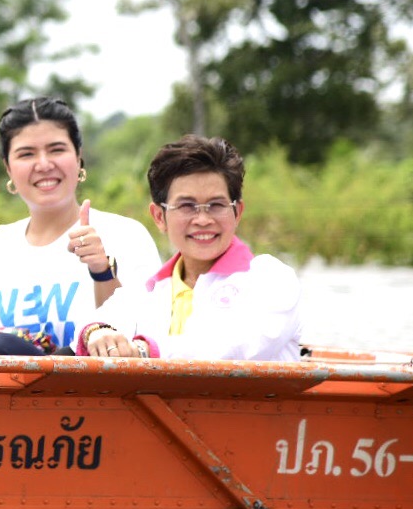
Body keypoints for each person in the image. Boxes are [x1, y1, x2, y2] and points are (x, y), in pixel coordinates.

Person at [0, 97, 160, 354]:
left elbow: (143, 336)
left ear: (79, 157)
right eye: (26, 154)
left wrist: (101, 270)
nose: (44, 164)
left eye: (56, 149)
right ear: (8, 168)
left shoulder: (125, 235)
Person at [79, 135, 302, 362]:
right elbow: (99, 321)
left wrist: (146, 350)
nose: (203, 219)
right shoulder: (149, 289)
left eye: (216, 205)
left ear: (238, 212)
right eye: (187, 206)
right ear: (159, 217)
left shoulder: (271, 278)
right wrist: (98, 332)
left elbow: (232, 347)